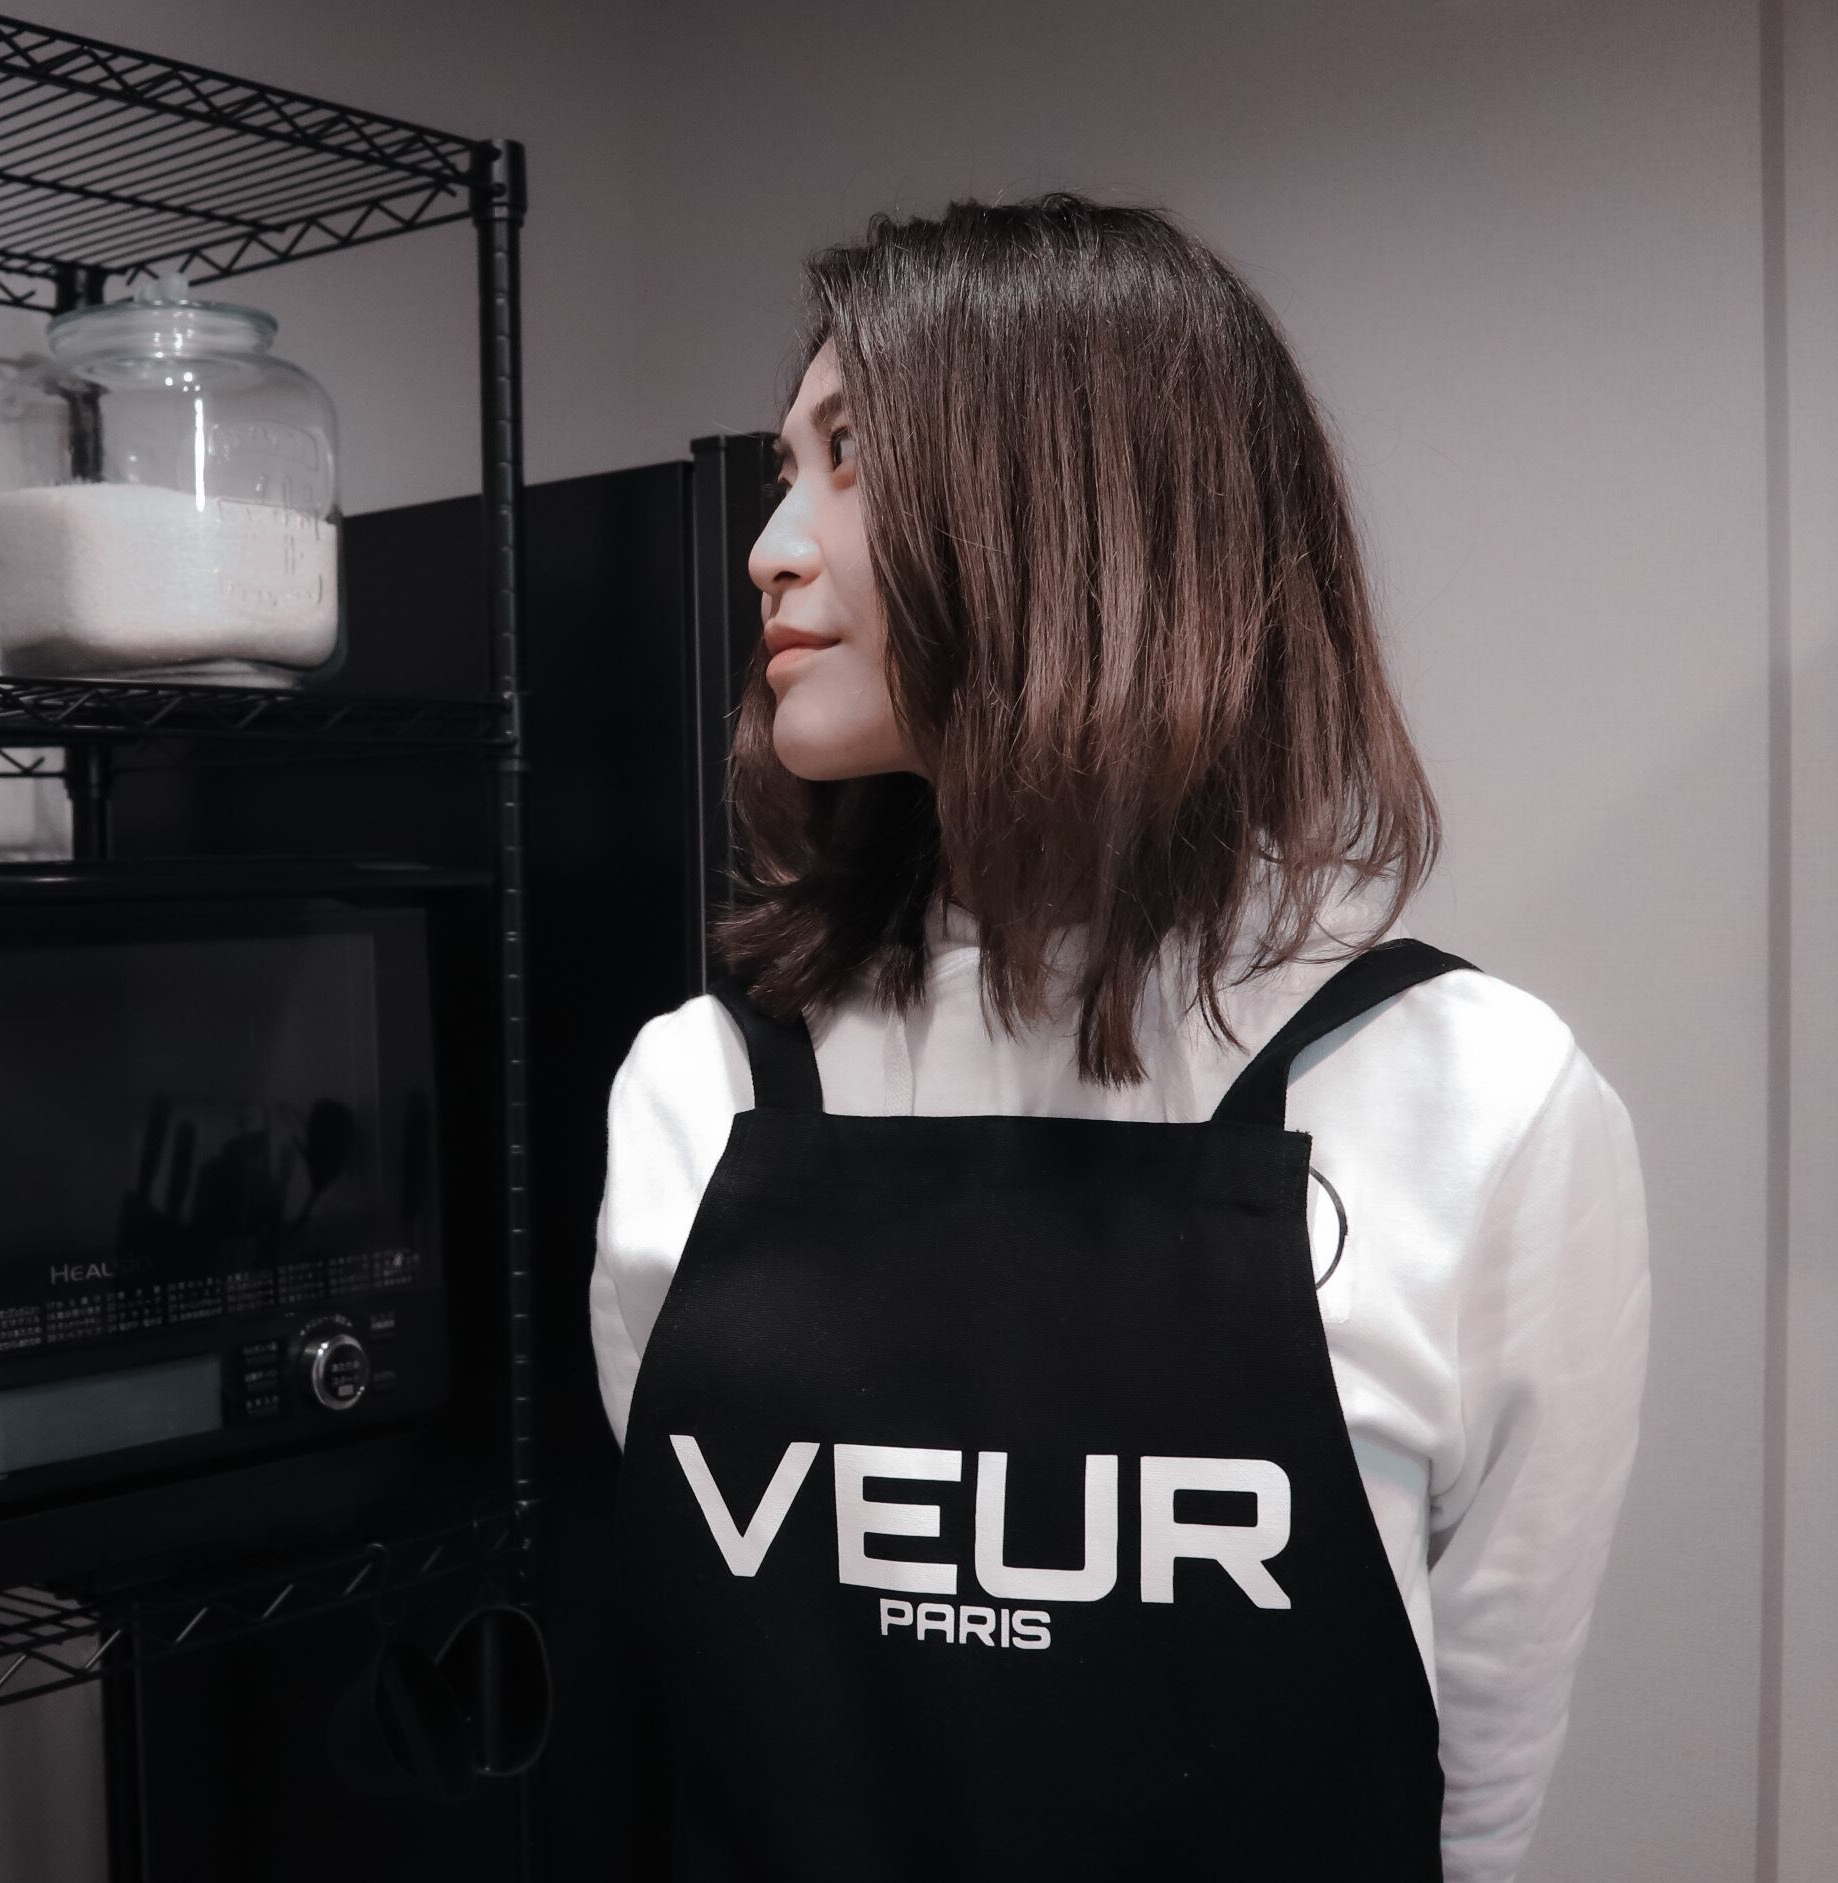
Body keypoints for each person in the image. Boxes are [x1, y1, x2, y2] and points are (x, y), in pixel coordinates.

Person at [588, 196, 1649, 1881]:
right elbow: (699, 1707)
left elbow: (1472, 1793)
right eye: (785, 469)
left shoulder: (1475, 1099)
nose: (769, 545)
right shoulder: (696, 1091)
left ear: (1076, 501)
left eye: (847, 456)